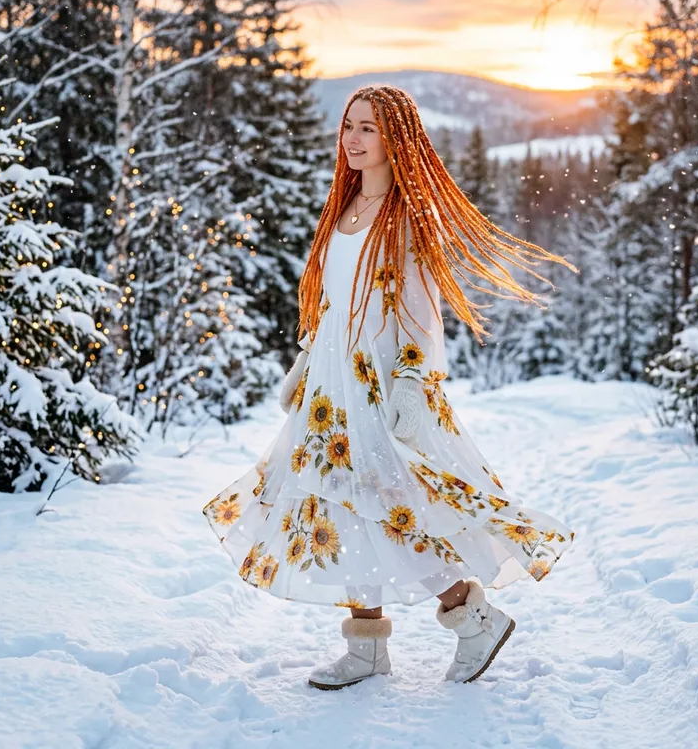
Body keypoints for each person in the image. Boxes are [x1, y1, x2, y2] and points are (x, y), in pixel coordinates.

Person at [203, 84, 577, 691]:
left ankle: (472, 616)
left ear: (395, 137)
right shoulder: (345, 210)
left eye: (368, 129)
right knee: (338, 510)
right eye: (348, 126)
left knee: (393, 508)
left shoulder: (405, 217)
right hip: (332, 388)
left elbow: (421, 311)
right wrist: (306, 362)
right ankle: (368, 648)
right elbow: (333, 303)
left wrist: (411, 382)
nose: (353, 139)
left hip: (379, 387)